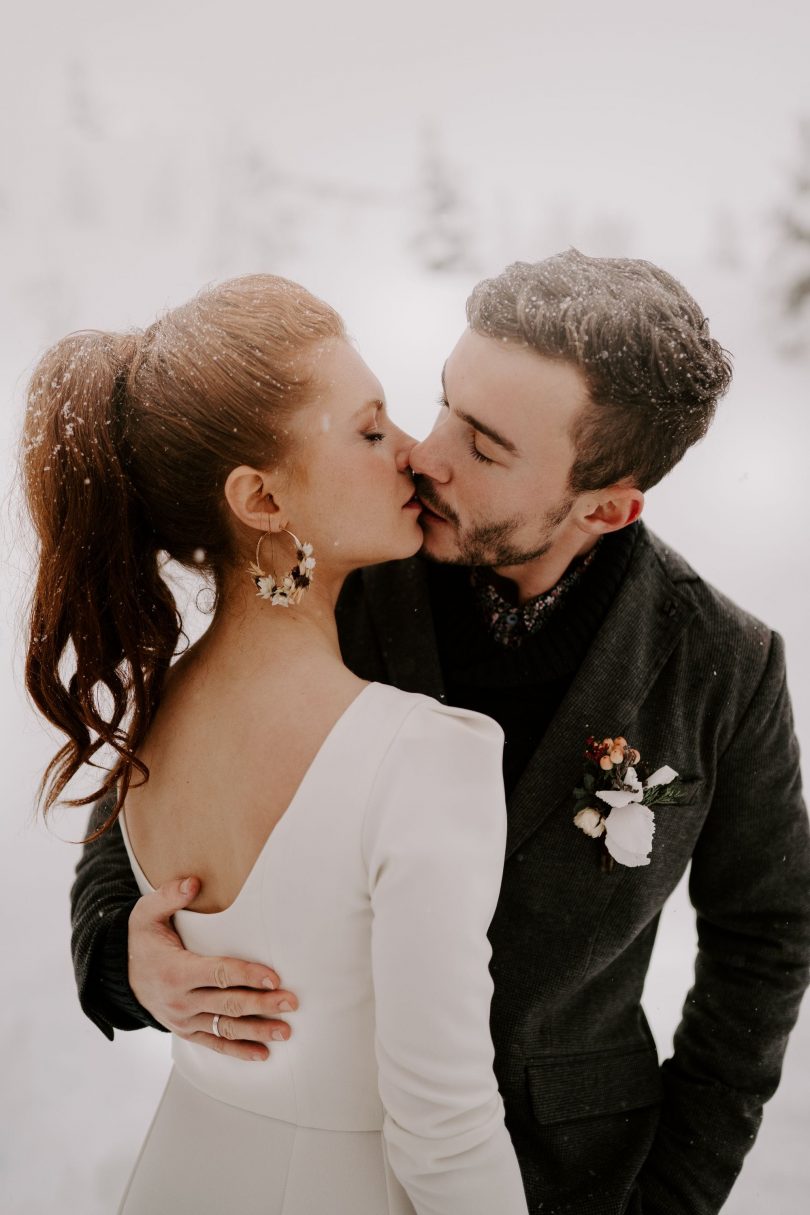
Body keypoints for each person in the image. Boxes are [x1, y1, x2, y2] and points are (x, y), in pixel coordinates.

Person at [70, 252, 810, 1215]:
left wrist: (674, 1195)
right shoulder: (344, 563)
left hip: (578, 1177)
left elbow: (767, 936)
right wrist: (119, 952)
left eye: (487, 444)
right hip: (334, 1164)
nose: (427, 451)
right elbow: (156, 776)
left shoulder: (724, 662)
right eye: (446, 402)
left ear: (608, 506)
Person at [21, 275, 530, 1215]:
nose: (415, 450)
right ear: (260, 498)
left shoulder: (155, 713)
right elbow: (445, 1123)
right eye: (371, 431)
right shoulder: (422, 757)